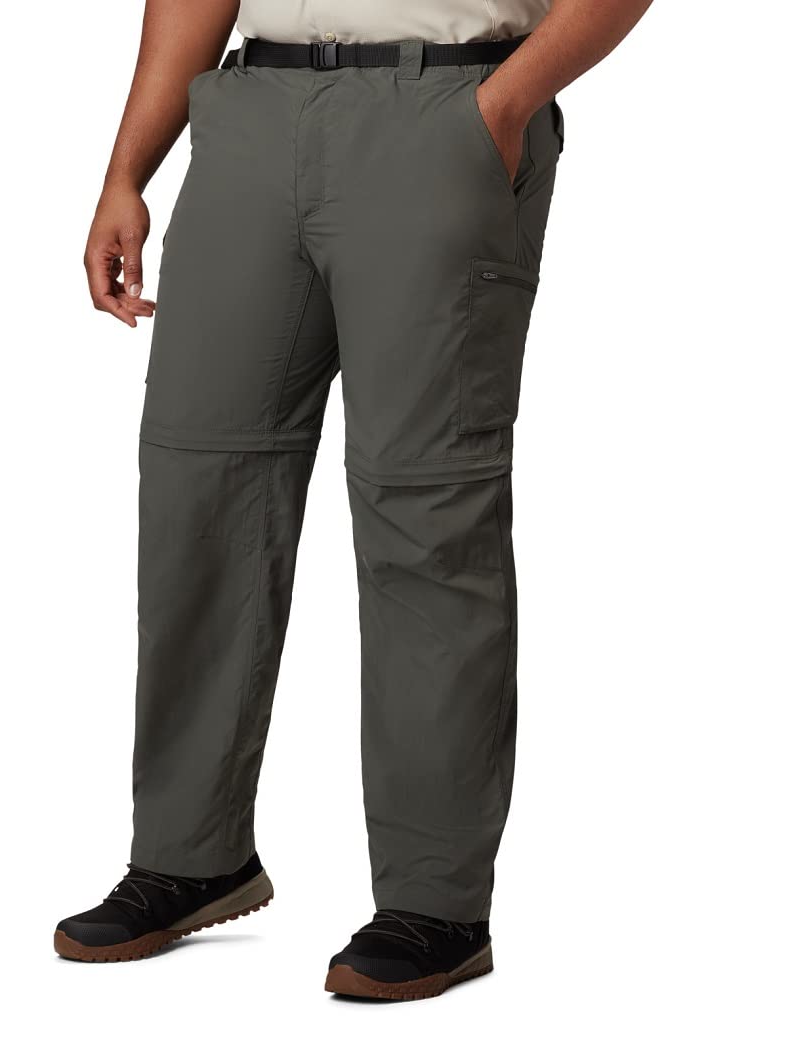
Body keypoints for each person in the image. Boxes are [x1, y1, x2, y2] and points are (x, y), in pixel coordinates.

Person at [55, 0, 652, 1000]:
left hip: (446, 105)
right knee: (199, 489)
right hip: (250, 116)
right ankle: (190, 855)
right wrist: (127, 170)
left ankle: (435, 902)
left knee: (424, 509)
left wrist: (503, 106)